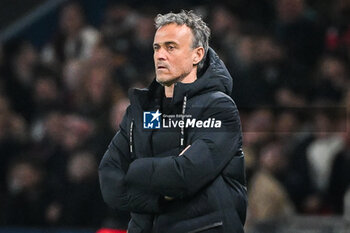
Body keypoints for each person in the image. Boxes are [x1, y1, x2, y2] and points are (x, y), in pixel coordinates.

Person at [99, 10, 247, 233]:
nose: (160, 55)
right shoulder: (141, 111)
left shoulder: (218, 107)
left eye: (171, 47)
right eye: (157, 47)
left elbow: (184, 174)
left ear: (197, 55)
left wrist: (134, 168)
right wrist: (160, 196)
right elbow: (109, 179)